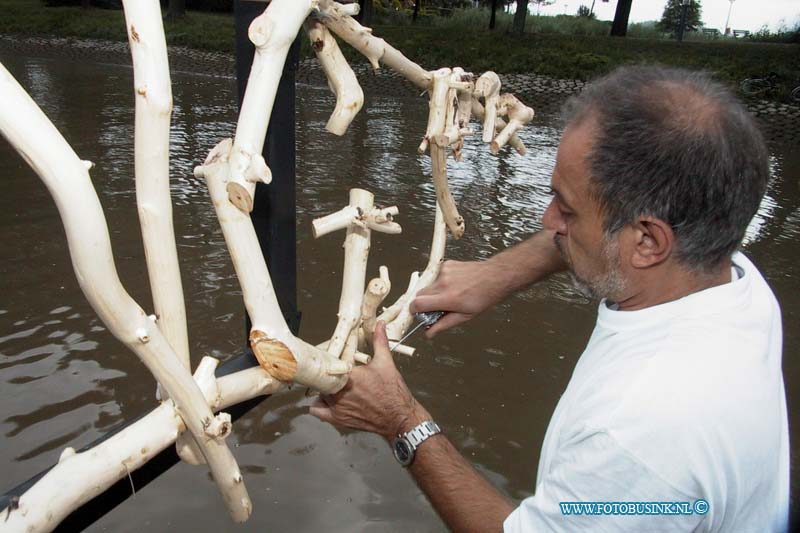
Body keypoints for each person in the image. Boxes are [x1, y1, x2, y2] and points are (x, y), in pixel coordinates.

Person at [309, 65, 790, 532]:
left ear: (647, 241)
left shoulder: (642, 436)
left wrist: (402, 422)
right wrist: (502, 273)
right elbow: (612, 240)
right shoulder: (732, 277)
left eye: (567, 207)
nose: (546, 218)